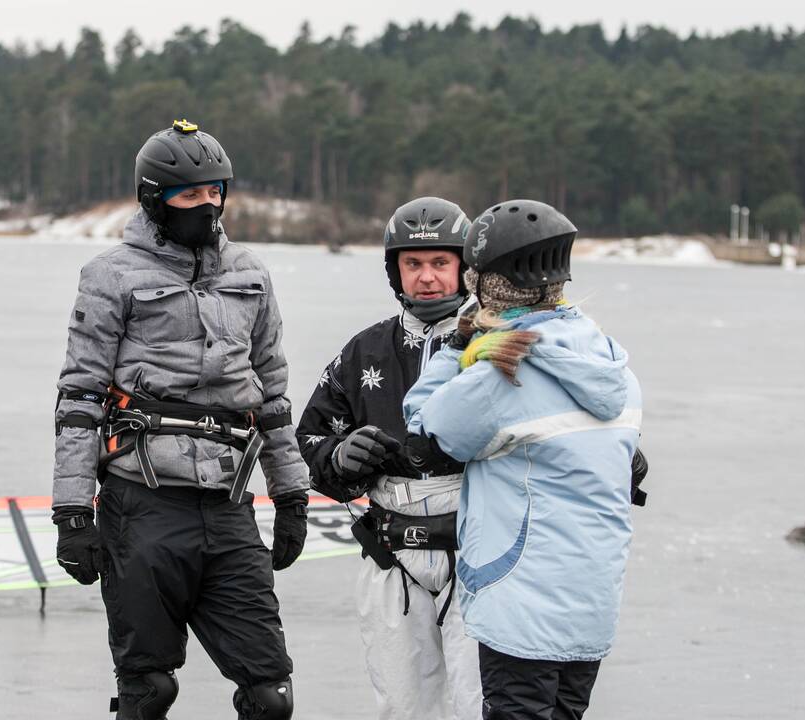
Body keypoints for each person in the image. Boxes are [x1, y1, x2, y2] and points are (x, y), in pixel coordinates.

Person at [50, 119, 309, 720]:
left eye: (216, 191)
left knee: (270, 694)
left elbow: (272, 395)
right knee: (150, 690)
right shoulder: (109, 275)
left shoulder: (251, 273)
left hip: (228, 508)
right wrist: (71, 513)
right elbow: (80, 398)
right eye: (191, 194)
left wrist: (292, 494)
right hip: (141, 508)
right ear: (154, 198)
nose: (208, 205)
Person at [403, 200, 644, 720]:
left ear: (485, 283)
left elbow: (423, 430)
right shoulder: (611, 362)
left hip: (521, 605)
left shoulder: (502, 374)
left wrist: (462, 350)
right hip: (592, 604)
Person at [297, 197, 483, 720]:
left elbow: (550, 426)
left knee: (483, 705)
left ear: (465, 267)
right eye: (414, 264)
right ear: (394, 269)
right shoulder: (364, 352)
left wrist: (613, 456)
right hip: (391, 556)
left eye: (440, 263)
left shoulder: (495, 346)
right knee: (403, 708)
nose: (427, 278)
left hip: (481, 554)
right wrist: (341, 457)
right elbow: (307, 441)